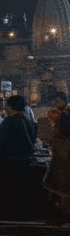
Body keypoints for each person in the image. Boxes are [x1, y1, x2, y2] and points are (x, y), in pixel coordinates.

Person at [0, 95, 38, 208]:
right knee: (22, 189)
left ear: (11, 107)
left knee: (10, 189)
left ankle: (10, 212)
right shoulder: (28, 121)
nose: (6, 109)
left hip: (10, 162)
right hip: (26, 161)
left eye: (7, 106)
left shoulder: (8, 121)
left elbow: (1, 142)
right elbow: (33, 140)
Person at [43, 93, 70, 224]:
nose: (51, 104)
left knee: (63, 188)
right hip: (60, 157)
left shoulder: (65, 114)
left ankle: (64, 217)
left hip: (64, 158)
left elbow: (63, 132)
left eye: (53, 101)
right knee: (60, 187)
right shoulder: (63, 114)